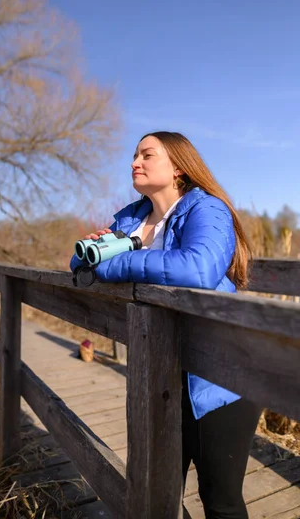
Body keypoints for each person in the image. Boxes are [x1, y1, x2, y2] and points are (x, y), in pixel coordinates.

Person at [70, 131, 261, 519]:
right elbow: (79, 264)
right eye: (133, 155)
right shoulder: (130, 218)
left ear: (177, 167)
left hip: (220, 377)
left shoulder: (207, 210)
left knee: (220, 500)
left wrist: (116, 266)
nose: (134, 162)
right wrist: (94, 256)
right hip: (158, 379)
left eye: (146, 154)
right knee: (156, 492)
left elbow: (200, 269)